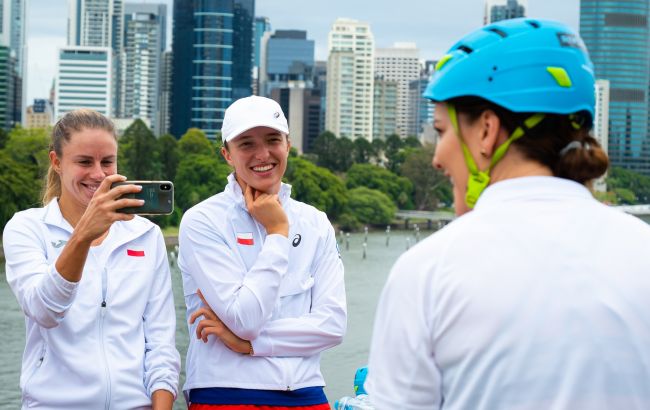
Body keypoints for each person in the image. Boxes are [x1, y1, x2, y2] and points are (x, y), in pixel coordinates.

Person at [366, 18, 650, 409]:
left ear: (487, 130)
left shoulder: (429, 270)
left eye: (442, 131)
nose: (436, 158)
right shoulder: (643, 249)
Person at [3, 109, 180, 409]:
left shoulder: (145, 235)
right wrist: (82, 235)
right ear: (56, 162)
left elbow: (160, 343)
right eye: (84, 162)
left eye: (107, 161)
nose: (98, 174)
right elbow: (44, 310)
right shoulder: (27, 228)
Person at [178, 95, 347, 409]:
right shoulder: (203, 220)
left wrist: (249, 344)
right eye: (246, 144)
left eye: (272, 140)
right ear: (227, 154)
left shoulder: (315, 222)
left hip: (307, 394)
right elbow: (245, 318)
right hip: (227, 394)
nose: (262, 154)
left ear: (288, 144)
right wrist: (278, 233)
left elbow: (333, 326)